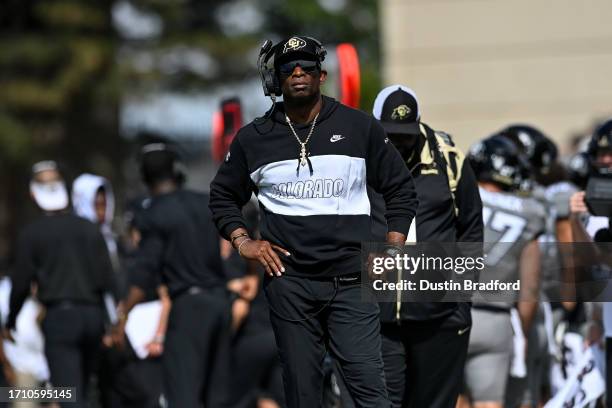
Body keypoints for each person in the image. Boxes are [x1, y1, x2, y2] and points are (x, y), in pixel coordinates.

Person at [209, 35, 417, 408]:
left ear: (322, 76)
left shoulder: (359, 127)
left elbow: (401, 189)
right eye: (288, 67)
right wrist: (244, 242)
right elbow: (222, 196)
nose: (298, 72)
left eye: (307, 66)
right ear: (276, 79)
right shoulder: (252, 138)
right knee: (303, 394)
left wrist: (393, 244)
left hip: (352, 282)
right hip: (290, 285)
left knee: (371, 393)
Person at [367, 85, 483, 408]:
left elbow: (471, 228)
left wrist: (460, 299)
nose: (400, 143)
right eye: (391, 135)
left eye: (406, 134)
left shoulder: (447, 159)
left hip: (439, 317)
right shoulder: (356, 158)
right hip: (376, 316)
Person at [113, 143, 234, 408]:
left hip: (189, 309)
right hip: (220, 303)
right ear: (176, 171)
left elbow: (144, 272)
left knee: (183, 394)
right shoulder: (205, 203)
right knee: (218, 396)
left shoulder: (152, 214)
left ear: (144, 178)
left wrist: (123, 312)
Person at [3, 161, 114, 408]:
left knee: (68, 394)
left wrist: (10, 320)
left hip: (61, 320)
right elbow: (107, 279)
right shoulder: (89, 229)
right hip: (93, 317)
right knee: (84, 390)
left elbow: (20, 283)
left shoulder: (32, 234)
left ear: (33, 193)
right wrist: (112, 321)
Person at [460, 136, 545, 408]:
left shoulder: (456, 197)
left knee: (447, 397)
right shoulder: (530, 212)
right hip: (496, 319)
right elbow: (529, 288)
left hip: (450, 312)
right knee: (490, 403)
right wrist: (522, 331)